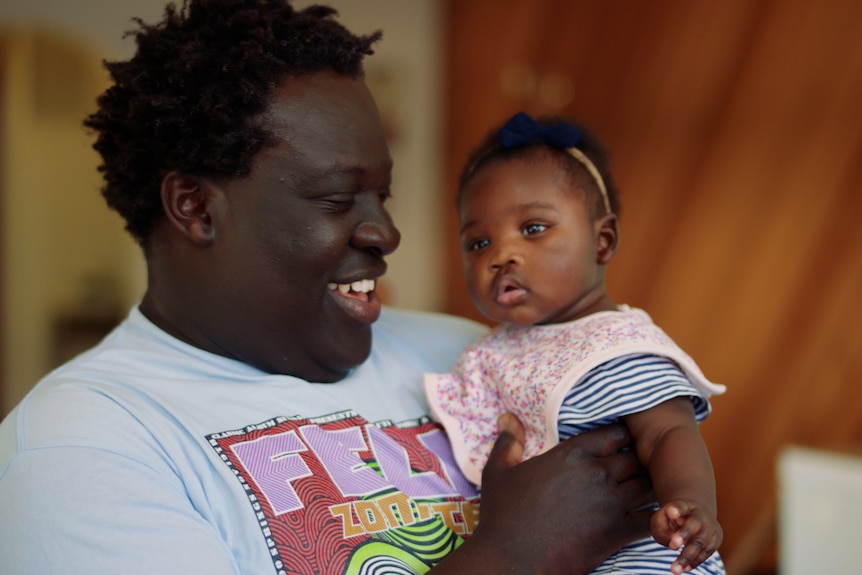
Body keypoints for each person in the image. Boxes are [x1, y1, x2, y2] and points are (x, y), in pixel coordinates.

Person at [0, 2, 657, 574]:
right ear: (196, 208)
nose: (386, 232)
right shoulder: (82, 444)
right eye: (338, 197)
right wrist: (517, 553)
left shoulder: (479, 356)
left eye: (382, 193)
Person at [424, 112, 727, 575]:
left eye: (533, 229)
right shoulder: (492, 353)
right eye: (478, 242)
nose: (501, 254)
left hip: (641, 556)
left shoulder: (615, 343)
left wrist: (688, 502)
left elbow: (669, 432)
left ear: (602, 242)